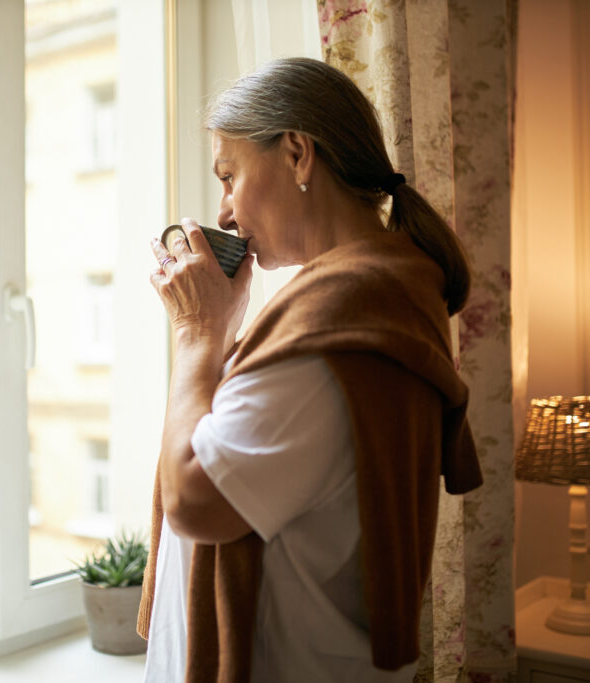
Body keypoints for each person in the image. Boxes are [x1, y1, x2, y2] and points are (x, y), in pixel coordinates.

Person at [138, 57, 483, 683]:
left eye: (229, 175)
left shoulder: (337, 318)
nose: (222, 212)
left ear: (297, 154)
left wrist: (197, 333)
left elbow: (195, 500)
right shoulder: (382, 292)